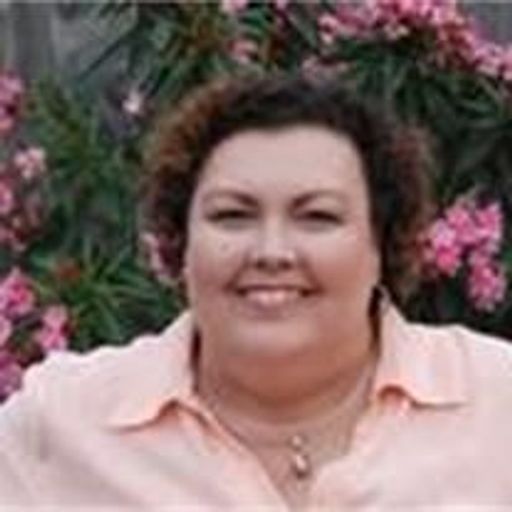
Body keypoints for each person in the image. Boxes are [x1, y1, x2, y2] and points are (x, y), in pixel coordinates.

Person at [1, 71, 512, 510]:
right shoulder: (62, 424)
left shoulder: (497, 403)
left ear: (382, 241)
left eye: (317, 217)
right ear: (182, 241)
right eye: (232, 215)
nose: (271, 252)